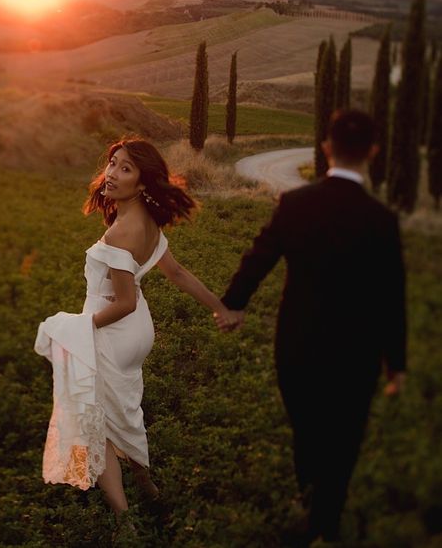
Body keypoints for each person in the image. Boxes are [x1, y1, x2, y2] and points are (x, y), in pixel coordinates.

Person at [217, 109, 407, 544]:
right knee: (346, 434)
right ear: (373, 152)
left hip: (298, 343)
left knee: (308, 429)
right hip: (358, 352)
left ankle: (311, 503)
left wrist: (233, 304)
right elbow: (391, 296)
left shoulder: (297, 204)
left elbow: (259, 256)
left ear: (326, 148)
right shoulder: (382, 219)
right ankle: (328, 516)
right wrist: (395, 364)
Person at [35, 138, 233, 535]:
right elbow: (176, 273)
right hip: (136, 331)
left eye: (125, 168)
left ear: (143, 183)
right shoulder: (147, 220)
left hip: (113, 329)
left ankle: (126, 523)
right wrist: (220, 306)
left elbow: (122, 302)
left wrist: (74, 328)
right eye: (113, 162)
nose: (111, 172)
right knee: (124, 410)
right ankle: (148, 485)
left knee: (101, 426)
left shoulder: (122, 233)